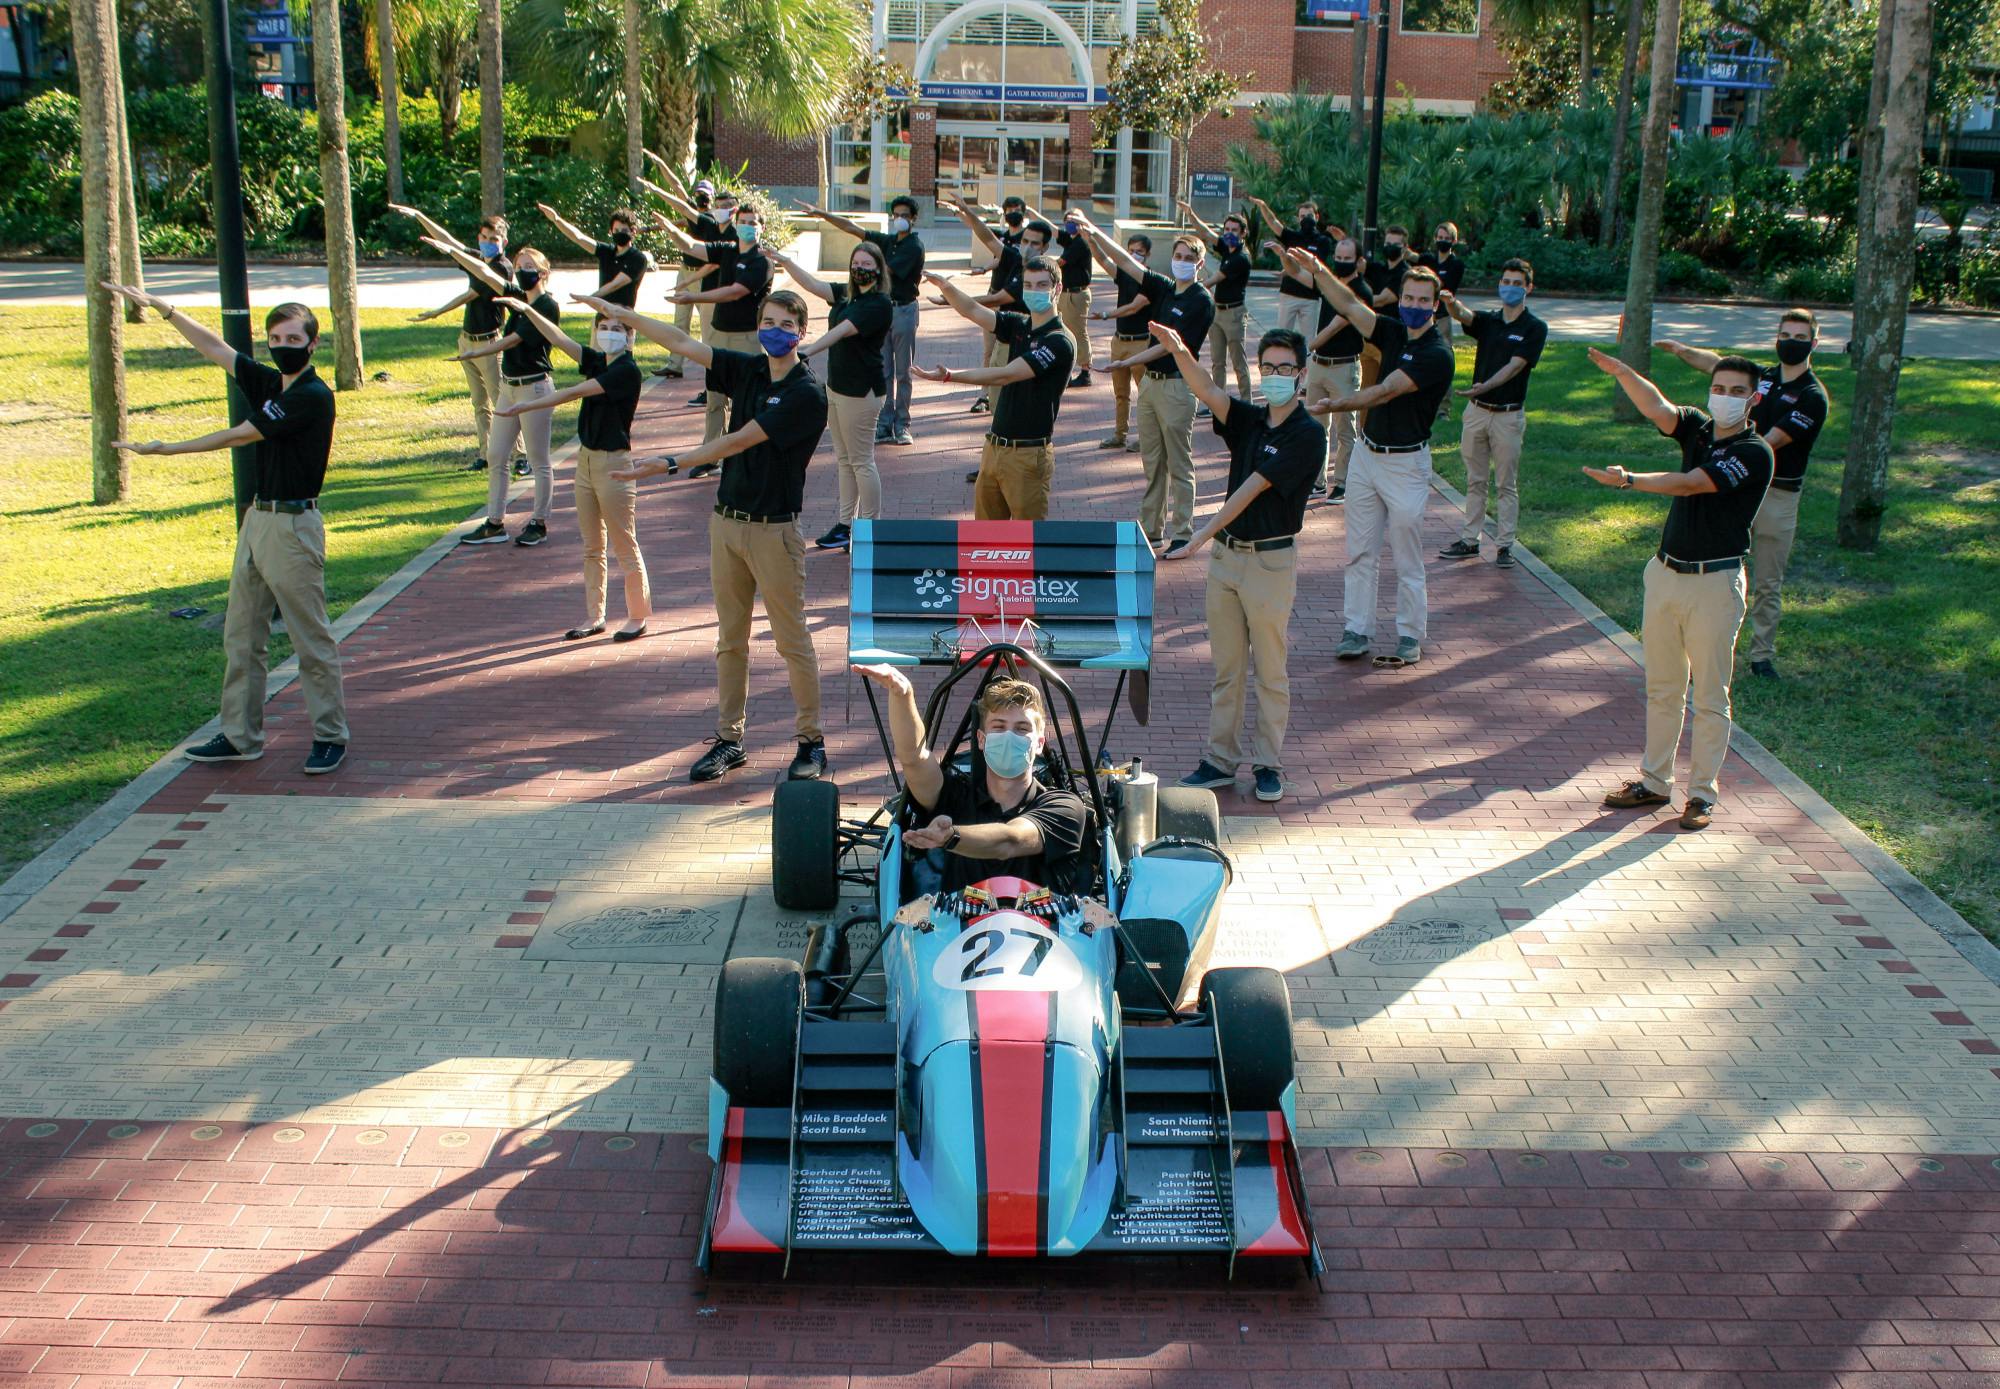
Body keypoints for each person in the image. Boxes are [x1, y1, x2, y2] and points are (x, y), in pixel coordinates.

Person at [582, 290, 831, 784]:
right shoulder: (750, 370)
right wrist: (627, 315)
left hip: (774, 531)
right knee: (729, 640)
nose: (775, 331)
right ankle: (729, 739)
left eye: (786, 324)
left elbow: (739, 440)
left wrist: (671, 462)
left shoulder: (807, 393)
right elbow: (683, 343)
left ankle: (811, 741)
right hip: (726, 524)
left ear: (802, 333)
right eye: (768, 322)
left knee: (792, 641)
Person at [103, 283, 350, 775]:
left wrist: (169, 449)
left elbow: (242, 435)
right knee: (242, 637)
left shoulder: (312, 396)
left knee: (310, 640)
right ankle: (240, 736)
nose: (283, 347)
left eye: (293, 339)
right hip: (257, 521)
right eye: (275, 339)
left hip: (294, 528)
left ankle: (330, 736)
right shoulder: (271, 384)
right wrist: (167, 310)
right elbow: (217, 349)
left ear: (313, 343)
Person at [1584, 346, 1775, 832]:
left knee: (1710, 695)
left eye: (1736, 391)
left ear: (1753, 399)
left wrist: (1629, 480)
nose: (1724, 397)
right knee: (1663, 687)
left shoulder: (1754, 452)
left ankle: (1702, 795)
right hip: (1666, 574)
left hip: (1715, 583)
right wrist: (1623, 372)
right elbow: (1658, 407)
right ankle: (1654, 782)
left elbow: (1692, 483)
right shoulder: (1700, 430)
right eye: (1718, 388)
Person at [1151, 321, 1323, 805]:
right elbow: (1207, 390)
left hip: (1269, 563)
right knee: (1227, 669)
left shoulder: (1307, 435)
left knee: (1270, 670)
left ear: (1302, 374)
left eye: (1285, 369)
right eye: (1268, 367)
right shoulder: (1249, 420)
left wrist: (1198, 537)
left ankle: (1268, 764)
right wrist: (1179, 351)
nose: (1276, 376)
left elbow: (1253, 488)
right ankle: (1220, 760)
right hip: (1227, 559)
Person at [1290, 245, 1454, 667]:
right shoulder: (1393, 332)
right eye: (1408, 297)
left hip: (1406, 464)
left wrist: (1335, 405)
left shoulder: (1437, 354)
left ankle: (1409, 635)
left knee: (1406, 556)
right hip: (1367, 455)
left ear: (1435, 306)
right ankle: (1356, 630)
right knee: (1360, 551)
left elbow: (1384, 391)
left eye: (1423, 300)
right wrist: (1319, 270)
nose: (1414, 306)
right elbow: (1349, 305)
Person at [1656, 310, 1830, 679]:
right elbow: (1717, 364)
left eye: (1800, 337)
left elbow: (1768, 444)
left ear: (1814, 343)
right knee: (1715, 564)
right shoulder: (1763, 378)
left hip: (1776, 495)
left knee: (1767, 579)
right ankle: (1707, 645)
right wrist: (1682, 350)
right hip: (1732, 488)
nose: (1791, 343)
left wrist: (1729, 459)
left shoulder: (1812, 397)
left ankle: (1761, 656)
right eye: (1786, 335)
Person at [490, 300, 653, 643]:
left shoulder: (626, 371)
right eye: (603, 328)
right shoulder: (597, 361)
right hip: (586, 462)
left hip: (614, 466)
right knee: (592, 546)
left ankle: (637, 616)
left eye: (617, 329)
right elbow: (559, 339)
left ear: (630, 337)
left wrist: (526, 405)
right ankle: (595, 616)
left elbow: (577, 391)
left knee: (624, 544)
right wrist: (528, 310)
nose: (608, 334)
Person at [848, 668, 1090, 896]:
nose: (1009, 736)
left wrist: (951, 837)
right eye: (999, 727)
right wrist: (902, 695)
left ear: (1039, 743)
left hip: (1042, 925)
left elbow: (1011, 840)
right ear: (981, 740)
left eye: (1021, 728)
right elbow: (914, 758)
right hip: (958, 924)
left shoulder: (1064, 807)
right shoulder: (957, 797)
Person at [1076, 215, 1214, 554]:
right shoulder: (1164, 288)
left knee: (1179, 462)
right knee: (1153, 462)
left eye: (1188, 258)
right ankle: (1152, 529)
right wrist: (1095, 233)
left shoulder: (1200, 300)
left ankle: (1182, 531)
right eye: (1177, 256)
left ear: (1200, 263)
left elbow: (1170, 346)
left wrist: (1128, 362)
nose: (1181, 262)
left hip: (1177, 387)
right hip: (1151, 385)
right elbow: (1126, 262)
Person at [912, 258, 1074, 521]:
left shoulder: (1059, 341)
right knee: (985, 537)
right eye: (1028, 285)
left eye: (1042, 285)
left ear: (1057, 289)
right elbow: (973, 311)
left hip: (1028, 454)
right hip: (994, 447)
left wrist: (951, 376)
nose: (1034, 291)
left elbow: (1005, 375)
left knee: (1026, 539)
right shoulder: (1020, 325)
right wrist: (945, 286)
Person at [769, 238, 892, 550]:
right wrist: (785, 260)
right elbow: (812, 284)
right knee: (844, 459)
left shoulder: (878, 304)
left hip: (861, 392)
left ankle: (869, 530)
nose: (860, 269)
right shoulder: (846, 295)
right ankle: (846, 524)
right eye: (856, 263)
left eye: (867, 264)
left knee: (862, 461)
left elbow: (842, 331)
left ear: (879, 269)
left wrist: (805, 350)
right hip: (837, 387)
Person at [437, 242, 561, 547]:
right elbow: (485, 273)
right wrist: (451, 249)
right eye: (518, 267)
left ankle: (539, 522)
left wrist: (475, 353)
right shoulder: (517, 298)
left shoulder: (546, 306)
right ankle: (494, 523)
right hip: (509, 388)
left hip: (534, 389)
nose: (522, 272)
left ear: (544, 273)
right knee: (496, 455)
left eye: (529, 267)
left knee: (539, 460)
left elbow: (514, 340)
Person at [1437, 257, 1548, 570]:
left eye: (1517, 283)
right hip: (1477, 413)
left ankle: (1504, 546)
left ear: (1528, 288)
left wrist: (1484, 386)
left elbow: (1515, 367)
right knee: (1475, 480)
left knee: (1505, 484)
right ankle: (1469, 540)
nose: (1510, 288)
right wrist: (1450, 302)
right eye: (1506, 282)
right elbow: (1465, 316)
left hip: (1508, 416)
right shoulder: (1490, 321)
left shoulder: (1534, 328)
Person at [793, 195, 926, 445]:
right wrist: (822, 214)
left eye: (905, 216)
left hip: (903, 311)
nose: (900, 219)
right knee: (884, 370)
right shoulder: (887, 241)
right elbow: (853, 229)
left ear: (914, 219)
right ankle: (884, 425)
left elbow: (886, 271)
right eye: (896, 215)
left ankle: (902, 424)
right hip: (879, 313)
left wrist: (868, 262)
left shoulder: (914, 246)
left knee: (903, 372)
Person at [398, 204, 518, 472]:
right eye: (484, 237)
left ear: (504, 242)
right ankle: (486, 455)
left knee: (501, 401)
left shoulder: (501, 268)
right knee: (479, 404)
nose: (488, 243)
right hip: (467, 340)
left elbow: (470, 295)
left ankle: (520, 456)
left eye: (494, 239)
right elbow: (449, 242)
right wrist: (420, 216)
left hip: (490, 343)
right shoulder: (478, 259)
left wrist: (436, 312)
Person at [648, 196, 773, 451]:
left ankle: (743, 453)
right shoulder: (727, 249)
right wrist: (669, 228)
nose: (747, 227)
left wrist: (693, 297)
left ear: (762, 228)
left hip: (747, 338)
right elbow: (692, 247)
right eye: (743, 222)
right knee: (715, 400)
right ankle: (712, 453)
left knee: (745, 399)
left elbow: (735, 292)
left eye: (753, 223)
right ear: (736, 224)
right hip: (718, 335)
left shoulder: (763, 262)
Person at [940, 194, 1036, 414]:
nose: (1013, 213)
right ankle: (985, 395)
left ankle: (1007, 399)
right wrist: (961, 212)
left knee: (1012, 354)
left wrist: (953, 299)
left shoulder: (1027, 244)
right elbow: (985, 236)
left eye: (1017, 209)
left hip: (1009, 305)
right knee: (990, 351)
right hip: (994, 296)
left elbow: (999, 298)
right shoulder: (1006, 242)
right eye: (1009, 209)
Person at [637, 158, 724, 379]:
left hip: (704, 276)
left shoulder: (713, 222)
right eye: (699, 194)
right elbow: (676, 188)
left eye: (705, 196)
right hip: (685, 271)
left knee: (708, 326)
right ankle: (675, 365)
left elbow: (677, 193)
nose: (701, 199)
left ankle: (714, 370)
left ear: (712, 199)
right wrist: (659, 163)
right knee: (680, 321)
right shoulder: (691, 214)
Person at [1304, 236, 1367, 503]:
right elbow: (1301, 277)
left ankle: (1342, 483)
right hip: (1320, 364)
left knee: (1345, 429)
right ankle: (1317, 482)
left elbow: (1334, 327)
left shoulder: (1360, 290)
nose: (1341, 263)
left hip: (1344, 367)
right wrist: (1287, 257)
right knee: (1316, 427)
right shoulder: (1331, 285)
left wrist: (1305, 348)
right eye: (1338, 258)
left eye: (1346, 259)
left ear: (1358, 261)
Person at [1087, 231, 1156, 453]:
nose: (1135, 255)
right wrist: (1091, 239)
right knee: (1121, 394)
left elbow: (1133, 307)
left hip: (1140, 344)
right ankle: (1119, 435)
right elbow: (1103, 260)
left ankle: (1146, 438)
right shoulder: (1124, 274)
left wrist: (1105, 315)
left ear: (1148, 254)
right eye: (1131, 251)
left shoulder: (1151, 281)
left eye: (1140, 252)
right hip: (1119, 341)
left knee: (1145, 395)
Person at [1179, 201, 1253, 399]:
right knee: (1217, 362)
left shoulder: (1241, 258)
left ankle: (1247, 402)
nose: (1229, 233)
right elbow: (1206, 233)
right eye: (1227, 229)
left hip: (1234, 314)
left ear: (1243, 233)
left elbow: (1214, 280)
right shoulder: (1227, 249)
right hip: (1217, 312)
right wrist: (1190, 213)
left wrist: (1188, 289)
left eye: (1234, 230)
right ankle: (1217, 401)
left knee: (1238, 362)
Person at [1246, 194, 1330, 339]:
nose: (1306, 219)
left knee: (1309, 341)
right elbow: (1273, 222)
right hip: (1289, 293)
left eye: (1309, 216)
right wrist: (1263, 206)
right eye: (1302, 216)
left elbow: (1318, 267)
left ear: (1317, 217)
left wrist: (1290, 267)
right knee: (1282, 337)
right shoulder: (1292, 236)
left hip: (1311, 296)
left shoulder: (1323, 241)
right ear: (1298, 219)